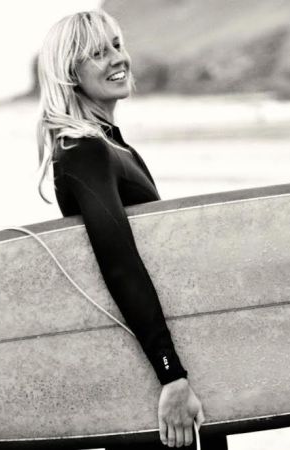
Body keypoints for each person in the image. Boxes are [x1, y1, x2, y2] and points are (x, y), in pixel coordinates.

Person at [37, 10, 228, 450]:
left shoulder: (112, 146)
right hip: (152, 380)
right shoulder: (83, 149)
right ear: (70, 73)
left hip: (161, 367)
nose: (117, 59)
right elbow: (119, 264)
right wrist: (171, 375)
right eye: (97, 53)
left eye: (117, 45)